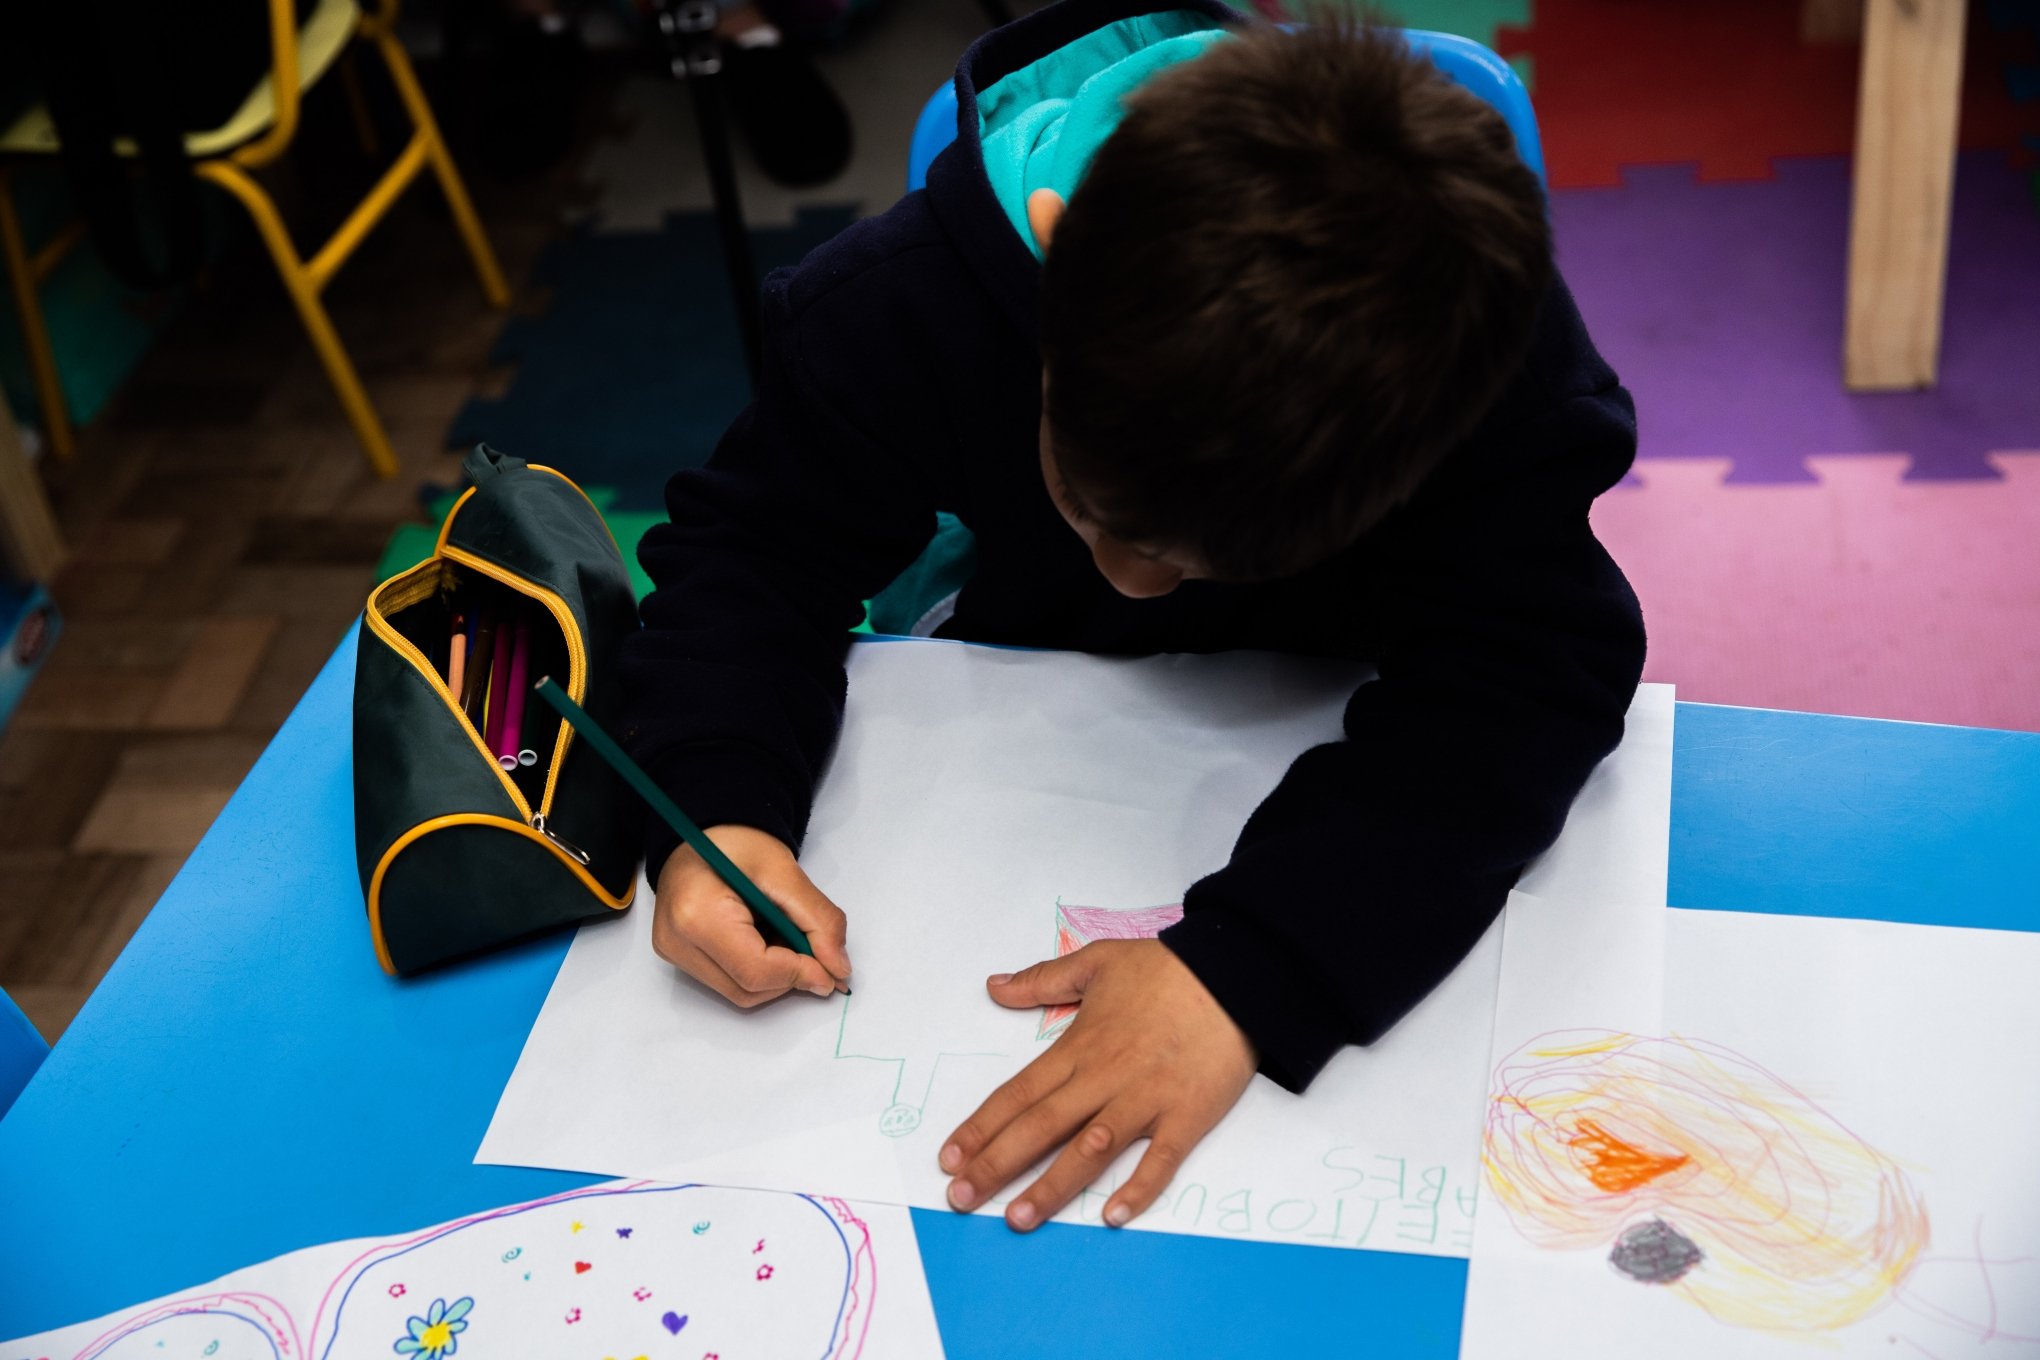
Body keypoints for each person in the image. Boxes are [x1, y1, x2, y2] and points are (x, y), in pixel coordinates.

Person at [618, 1, 1645, 1234]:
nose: (1132, 583)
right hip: (1014, 716)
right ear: (1052, 255)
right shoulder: (897, 306)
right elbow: (755, 550)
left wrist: (1253, 969)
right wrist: (716, 801)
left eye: (1188, 556)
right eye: (1098, 512)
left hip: (1346, 700)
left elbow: (1534, 663)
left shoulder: (1492, 362)